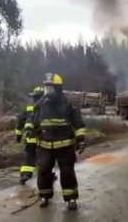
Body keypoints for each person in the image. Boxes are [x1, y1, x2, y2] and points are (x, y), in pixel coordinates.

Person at [24, 73, 86, 210]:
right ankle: (44, 196)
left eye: (50, 88)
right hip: (45, 146)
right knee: (43, 171)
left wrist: (81, 140)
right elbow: (32, 118)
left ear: (58, 88)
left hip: (65, 146)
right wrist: (28, 128)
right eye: (46, 88)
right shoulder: (40, 103)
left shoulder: (68, 104)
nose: (47, 91)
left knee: (67, 172)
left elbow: (78, 123)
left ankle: (71, 199)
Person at [15, 86, 44, 184]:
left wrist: (18, 135)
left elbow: (20, 121)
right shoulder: (48, 107)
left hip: (30, 137)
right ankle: (48, 175)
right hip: (43, 138)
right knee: (45, 157)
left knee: (29, 156)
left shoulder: (28, 107)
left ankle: (25, 174)